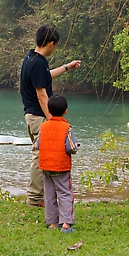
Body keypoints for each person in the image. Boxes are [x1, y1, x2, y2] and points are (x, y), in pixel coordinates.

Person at [20, 26, 81, 207]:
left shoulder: (32, 58)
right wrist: (53, 119)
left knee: (43, 155)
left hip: (32, 115)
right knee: (40, 156)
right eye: (55, 45)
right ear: (51, 43)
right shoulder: (38, 63)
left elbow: (46, 77)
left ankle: (42, 196)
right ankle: (35, 198)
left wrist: (66, 67)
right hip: (39, 116)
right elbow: (42, 94)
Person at [34, 95, 79, 233]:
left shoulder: (43, 126)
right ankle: (66, 223)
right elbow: (71, 147)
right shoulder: (67, 128)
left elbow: (37, 145)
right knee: (65, 193)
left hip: (46, 166)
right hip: (61, 167)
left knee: (49, 195)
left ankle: (52, 222)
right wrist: (76, 146)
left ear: (49, 110)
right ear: (65, 110)